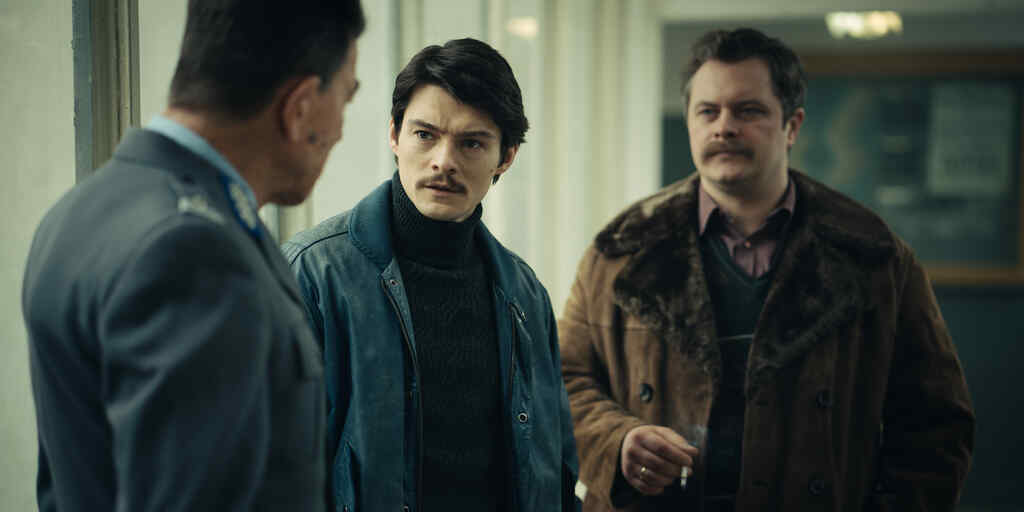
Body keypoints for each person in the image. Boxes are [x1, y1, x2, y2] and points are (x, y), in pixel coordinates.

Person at [558, 28, 974, 511]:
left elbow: (936, 424)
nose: (724, 127)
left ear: (792, 126)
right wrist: (616, 441)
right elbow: (560, 381)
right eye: (708, 111)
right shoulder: (620, 250)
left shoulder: (874, 256)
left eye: (748, 111)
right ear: (690, 123)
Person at [22, 1, 364, 510]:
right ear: (299, 107)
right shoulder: (196, 255)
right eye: (345, 99)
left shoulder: (78, 212)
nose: (339, 130)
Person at [282, 38, 579, 511]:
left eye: (471, 143)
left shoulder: (524, 293)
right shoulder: (315, 273)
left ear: (505, 157)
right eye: (425, 135)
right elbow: (275, 468)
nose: (444, 161)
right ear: (394, 135)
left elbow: (556, 465)